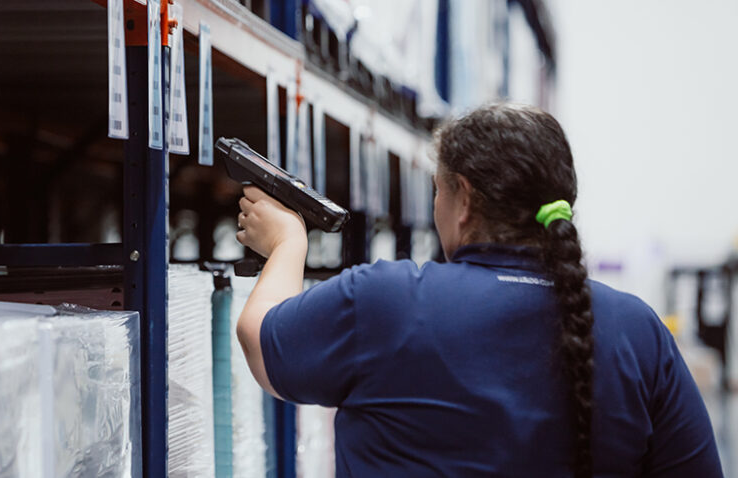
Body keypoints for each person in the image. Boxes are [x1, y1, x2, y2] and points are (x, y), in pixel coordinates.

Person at [234, 103, 722, 477]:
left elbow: (262, 344)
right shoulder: (639, 331)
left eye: (438, 189)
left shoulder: (385, 301)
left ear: (463, 199)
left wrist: (285, 243)